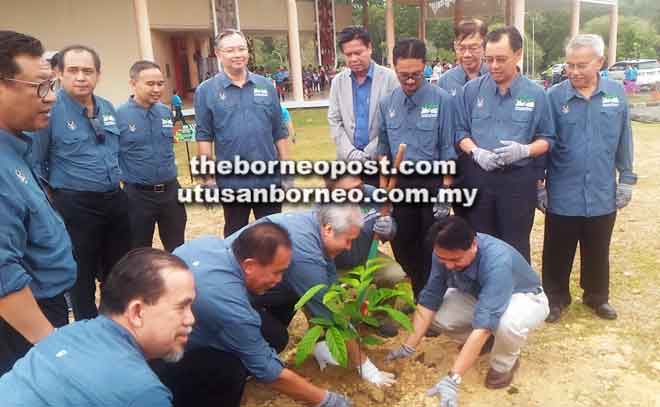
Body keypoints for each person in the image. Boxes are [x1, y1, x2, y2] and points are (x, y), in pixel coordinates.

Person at [158, 223, 352, 407]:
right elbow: (269, 372)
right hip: (160, 358)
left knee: (275, 337)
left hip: (173, 323)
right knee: (230, 372)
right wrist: (327, 400)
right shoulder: (233, 310)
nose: (280, 280)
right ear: (249, 265)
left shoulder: (209, 245)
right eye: (276, 272)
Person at [0, 248, 196, 405]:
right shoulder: (141, 394)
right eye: (182, 307)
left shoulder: (71, 333)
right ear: (137, 312)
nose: (190, 319)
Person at [387, 216, 549, 405]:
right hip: (479, 296)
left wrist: (452, 379)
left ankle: (504, 364)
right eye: (442, 259)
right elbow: (430, 299)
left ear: (473, 244)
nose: (448, 265)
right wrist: (409, 346)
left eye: (455, 260)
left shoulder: (497, 261)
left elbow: (484, 324)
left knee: (507, 324)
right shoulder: (443, 250)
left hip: (523, 297)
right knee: (439, 316)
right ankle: (488, 343)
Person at [237, 206, 396, 388]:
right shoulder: (303, 249)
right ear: (328, 229)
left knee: (293, 296)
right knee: (277, 338)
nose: (348, 247)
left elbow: (330, 286)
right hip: (233, 295)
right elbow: (330, 310)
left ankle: (312, 343)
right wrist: (367, 368)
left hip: (256, 285)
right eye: (348, 240)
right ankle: (241, 368)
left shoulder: (315, 226)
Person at [32, 44, 132, 320]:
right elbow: (36, 163)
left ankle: (115, 324)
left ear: (98, 75)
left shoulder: (108, 107)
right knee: (81, 274)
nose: (81, 77)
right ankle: (87, 326)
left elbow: (117, 151)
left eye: (88, 71)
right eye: (73, 70)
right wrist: (52, 205)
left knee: (119, 271)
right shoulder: (49, 110)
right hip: (75, 205)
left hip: (114, 200)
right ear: (59, 74)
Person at [542, 34, 637, 322]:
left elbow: (624, 139)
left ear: (600, 62)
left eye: (581, 65)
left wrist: (626, 179)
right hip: (563, 191)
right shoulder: (553, 97)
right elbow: (543, 142)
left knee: (598, 248)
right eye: (569, 65)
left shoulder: (615, 94)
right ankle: (555, 298)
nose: (574, 72)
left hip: (601, 191)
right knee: (557, 249)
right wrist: (539, 185)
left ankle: (597, 296)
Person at [0, 30, 76, 376]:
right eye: (41, 87)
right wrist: (50, 344)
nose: (51, 99)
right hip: (21, 324)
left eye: (53, 86)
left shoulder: (17, 146)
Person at [454, 26, 555, 263]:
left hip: (517, 183)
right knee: (480, 241)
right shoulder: (471, 91)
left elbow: (548, 138)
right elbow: (460, 132)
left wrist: (525, 150)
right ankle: (484, 293)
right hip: (479, 177)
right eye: (489, 60)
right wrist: (476, 152)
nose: (494, 66)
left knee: (516, 243)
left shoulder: (536, 94)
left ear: (518, 54)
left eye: (501, 59)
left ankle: (518, 295)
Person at [377, 38, 456, 299]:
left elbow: (447, 148)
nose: (410, 81)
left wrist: (446, 189)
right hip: (400, 187)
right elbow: (384, 153)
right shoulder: (387, 103)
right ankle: (418, 291)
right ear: (394, 68)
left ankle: (431, 299)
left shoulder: (442, 100)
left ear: (425, 66)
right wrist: (383, 201)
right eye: (403, 76)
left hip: (432, 185)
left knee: (431, 244)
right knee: (403, 244)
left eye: (415, 74)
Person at [194, 29, 290, 237]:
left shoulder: (266, 85)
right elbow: (204, 137)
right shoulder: (206, 91)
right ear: (218, 54)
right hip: (232, 181)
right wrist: (208, 180)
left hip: (268, 178)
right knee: (236, 236)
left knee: (273, 233)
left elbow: (279, 130)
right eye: (230, 50)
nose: (238, 54)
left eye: (242, 48)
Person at [117, 61, 187, 252]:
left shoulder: (165, 112)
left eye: (160, 83)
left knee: (177, 248)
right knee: (138, 251)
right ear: (133, 84)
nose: (157, 89)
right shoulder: (118, 116)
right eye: (150, 84)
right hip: (138, 196)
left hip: (171, 192)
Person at [325, 175, 406, 337]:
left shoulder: (372, 195)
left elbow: (388, 226)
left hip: (367, 254)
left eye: (359, 186)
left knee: (394, 274)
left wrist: (389, 228)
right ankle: (334, 326)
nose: (357, 193)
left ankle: (381, 317)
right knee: (327, 294)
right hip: (334, 263)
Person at [328, 26, 399, 174]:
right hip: (347, 164)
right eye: (348, 54)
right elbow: (335, 121)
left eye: (358, 53)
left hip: (380, 164)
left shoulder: (390, 79)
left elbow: (394, 123)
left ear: (370, 48)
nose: (353, 59)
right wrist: (352, 155)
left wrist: (367, 155)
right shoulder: (338, 82)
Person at [438, 19, 489, 99]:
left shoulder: (494, 77)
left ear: (484, 47)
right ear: (455, 46)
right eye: (461, 48)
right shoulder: (445, 81)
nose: (467, 54)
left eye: (473, 48)